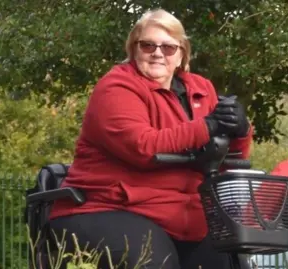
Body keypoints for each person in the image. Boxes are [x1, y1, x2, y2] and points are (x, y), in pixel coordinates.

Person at [48, 8, 253, 269]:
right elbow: (143, 146)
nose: (158, 53)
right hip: (110, 207)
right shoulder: (116, 87)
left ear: (181, 54)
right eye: (148, 45)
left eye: (168, 48)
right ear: (134, 49)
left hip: (187, 216)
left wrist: (240, 130)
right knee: (155, 261)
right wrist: (208, 125)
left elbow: (230, 159)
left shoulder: (202, 89)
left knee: (231, 261)